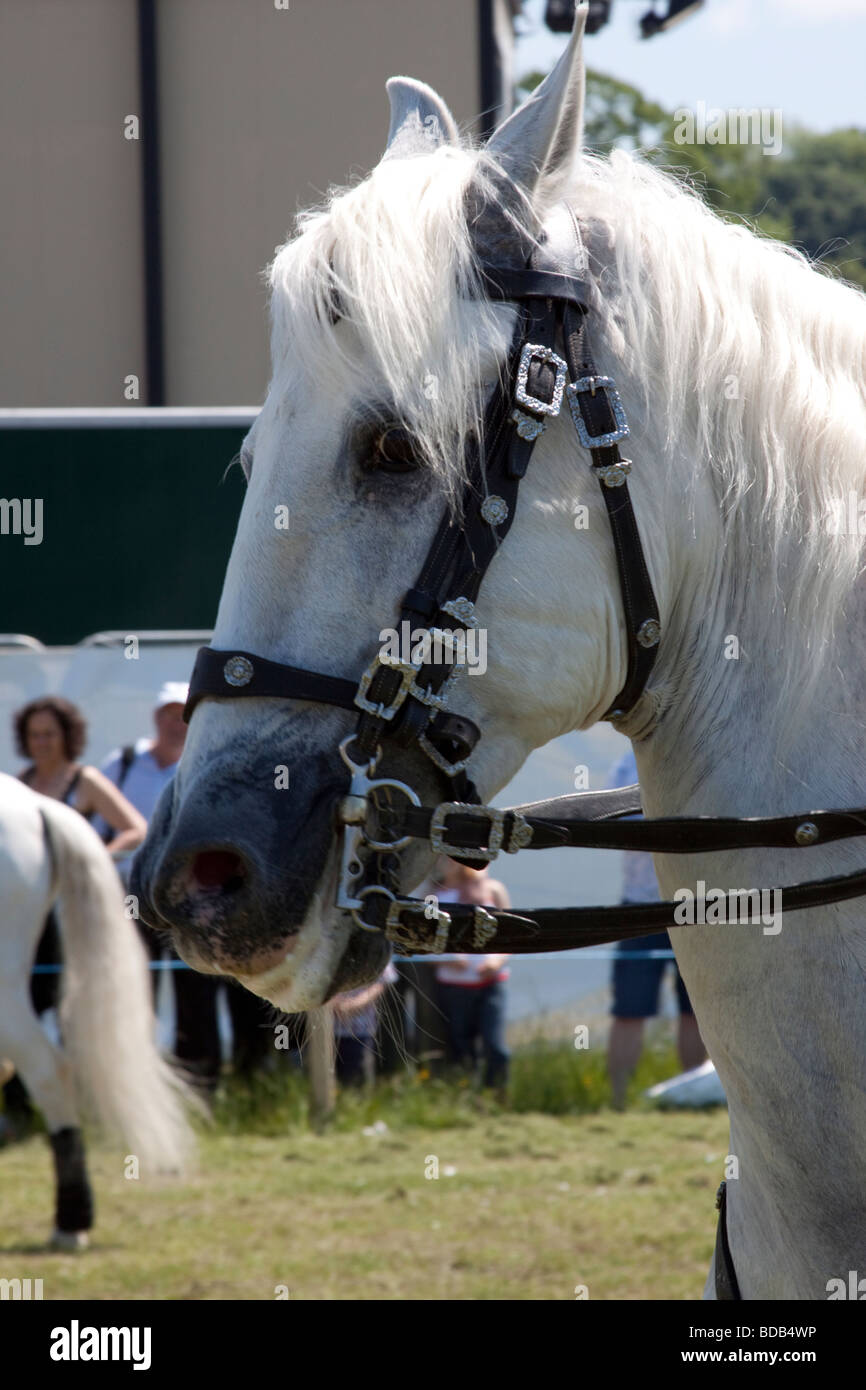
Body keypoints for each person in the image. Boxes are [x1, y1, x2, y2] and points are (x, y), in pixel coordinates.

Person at [3, 695, 146, 1130]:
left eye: (49, 734)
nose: (42, 742)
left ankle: (79, 1108)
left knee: (67, 1004)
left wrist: (92, 858)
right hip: (25, 918)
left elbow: (135, 827)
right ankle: (23, 1110)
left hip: (69, 914)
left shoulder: (85, 781)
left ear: (67, 736)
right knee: (16, 1007)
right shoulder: (18, 783)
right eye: (34, 735)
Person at [606, 747, 707, 1108]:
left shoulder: (695, 749)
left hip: (695, 905)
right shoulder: (628, 763)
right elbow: (619, 823)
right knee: (629, 1011)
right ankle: (618, 1103)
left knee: (697, 1011)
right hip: (642, 907)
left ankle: (691, 1099)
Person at [428, 857, 511, 1094]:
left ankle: (498, 1095)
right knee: (461, 1046)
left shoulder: (492, 890)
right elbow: (424, 942)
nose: (448, 862)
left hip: (490, 983)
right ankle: (468, 1097)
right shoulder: (432, 897)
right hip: (453, 986)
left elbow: (509, 935)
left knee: (495, 1046)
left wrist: (496, 960)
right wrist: (448, 959)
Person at [333, 961, 399, 1085]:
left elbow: (383, 981)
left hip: (361, 1030)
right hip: (326, 1032)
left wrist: (355, 1004)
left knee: (358, 1077)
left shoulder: (376, 942)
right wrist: (334, 1003)